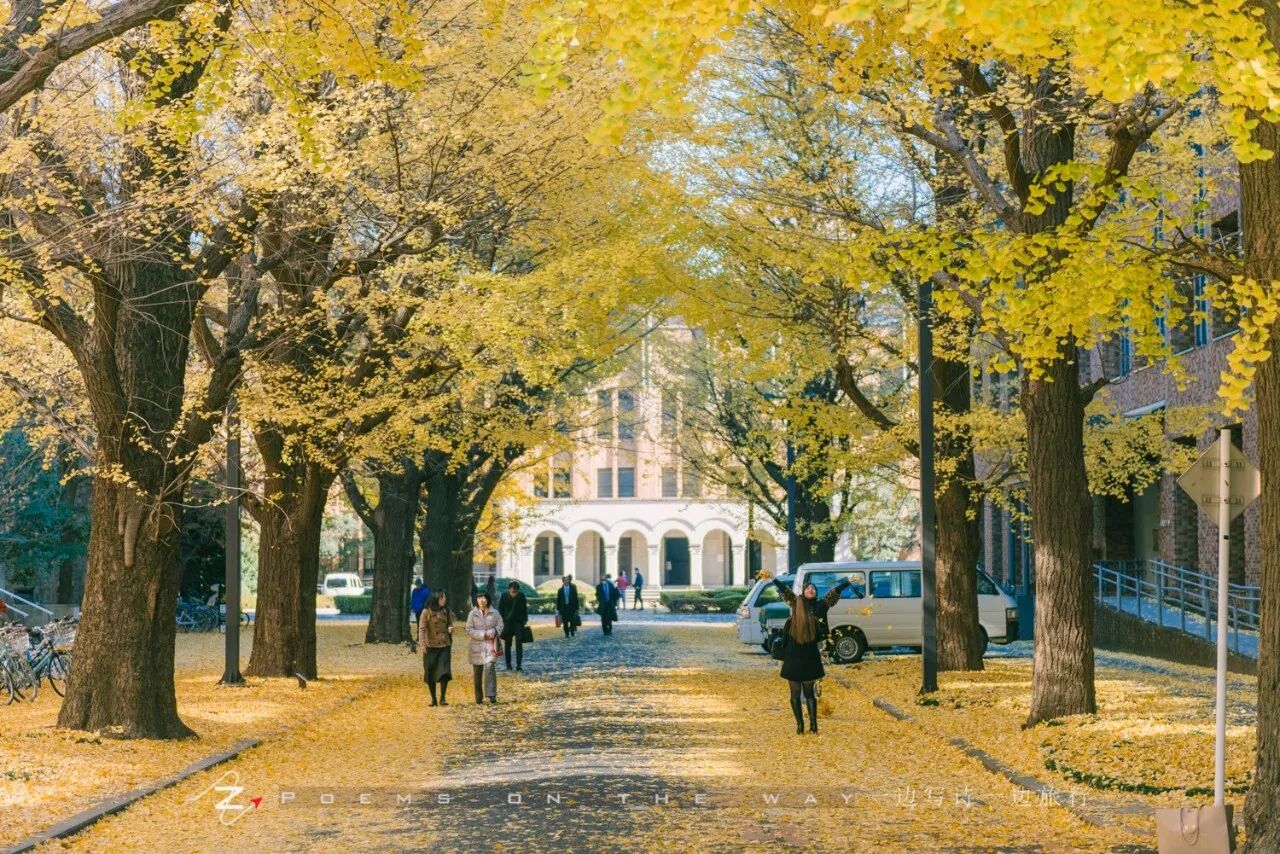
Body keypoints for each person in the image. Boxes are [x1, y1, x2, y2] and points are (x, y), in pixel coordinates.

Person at [772, 575, 854, 734]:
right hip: (808, 654)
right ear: (802, 593)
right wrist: (773, 580)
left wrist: (847, 582)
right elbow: (785, 591)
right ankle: (811, 726)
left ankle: (802, 725)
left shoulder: (817, 605)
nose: (811, 589)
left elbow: (834, 592)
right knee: (807, 693)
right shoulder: (801, 608)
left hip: (800, 655)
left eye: (813, 588)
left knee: (798, 693)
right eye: (808, 588)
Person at [466, 592, 503, 704]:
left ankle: (491, 695)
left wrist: (492, 632)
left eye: (484, 598)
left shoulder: (494, 613)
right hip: (476, 647)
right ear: (476, 600)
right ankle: (478, 697)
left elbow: (500, 625)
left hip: (491, 646)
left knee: (490, 668)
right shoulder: (472, 614)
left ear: (487, 599)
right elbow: (469, 629)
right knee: (477, 672)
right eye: (479, 598)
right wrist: (482, 635)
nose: (482, 600)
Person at [418, 591, 453, 706]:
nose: (444, 600)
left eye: (445, 597)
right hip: (430, 646)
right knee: (430, 673)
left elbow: (450, 624)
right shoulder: (426, 612)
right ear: (436, 598)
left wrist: (450, 629)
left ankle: (443, 698)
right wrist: (422, 644)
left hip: (444, 645)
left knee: (444, 672)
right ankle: (433, 699)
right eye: (442, 597)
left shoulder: (446, 611)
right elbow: (422, 629)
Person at [498, 581, 529, 671]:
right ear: (509, 589)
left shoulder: (521, 596)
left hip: (518, 623)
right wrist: (502, 620)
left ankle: (519, 664)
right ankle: (508, 664)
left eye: (515, 590)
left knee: (519, 643)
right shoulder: (504, 596)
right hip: (507, 623)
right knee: (508, 644)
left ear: (517, 590)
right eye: (512, 590)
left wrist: (525, 620)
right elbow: (501, 608)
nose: (513, 591)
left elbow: (524, 608)